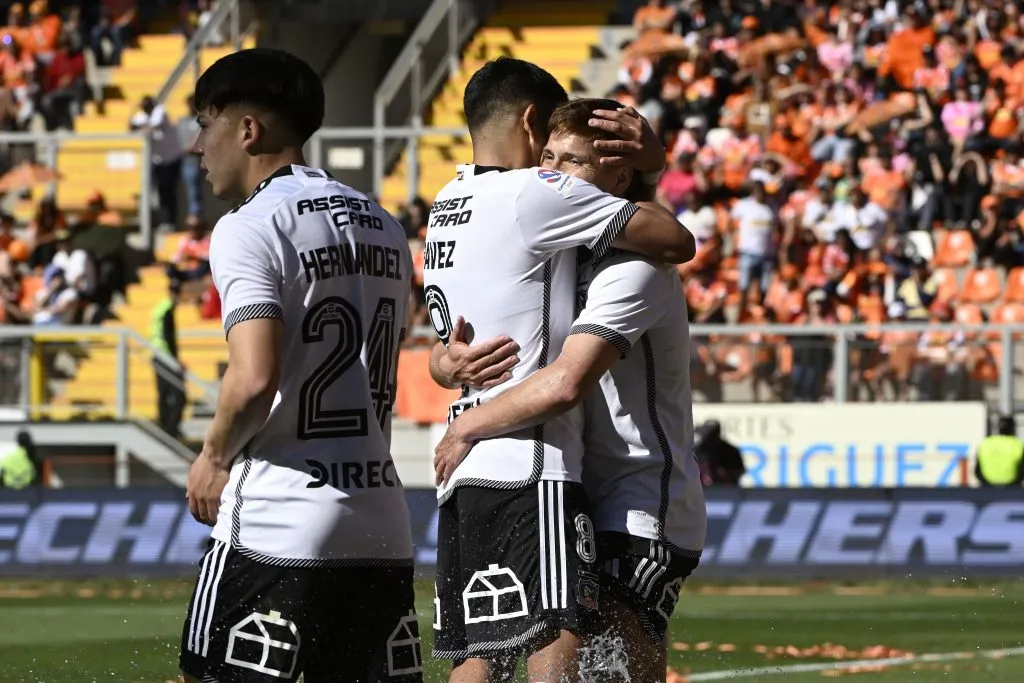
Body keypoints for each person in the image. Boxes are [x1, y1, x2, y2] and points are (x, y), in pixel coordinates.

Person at [421, 58, 694, 683]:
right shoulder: (541, 214)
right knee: (551, 646)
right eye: (548, 154)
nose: (553, 173)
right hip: (535, 465)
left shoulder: (453, 201)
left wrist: (449, 378)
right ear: (528, 122)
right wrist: (649, 168)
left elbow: (459, 338)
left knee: (546, 662)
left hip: (634, 498)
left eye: (568, 161)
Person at [179, 49, 421, 683]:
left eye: (206, 123)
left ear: (248, 129)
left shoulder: (248, 226)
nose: (197, 146)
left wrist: (213, 456)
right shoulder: (385, 224)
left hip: (278, 521)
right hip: (380, 522)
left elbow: (255, 378)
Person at [130, 95, 183, 230]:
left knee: (170, 191)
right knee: (159, 192)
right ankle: (161, 221)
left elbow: (152, 127)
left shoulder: (160, 111)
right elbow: (131, 127)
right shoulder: (141, 116)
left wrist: (140, 127)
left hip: (171, 159)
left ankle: (171, 221)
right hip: (157, 161)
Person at [151, 279, 184, 438]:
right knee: (178, 395)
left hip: (158, 355)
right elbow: (167, 337)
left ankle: (165, 427)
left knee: (164, 394)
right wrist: (174, 359)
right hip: (164, 356)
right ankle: (171, 430)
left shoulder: (161, 306)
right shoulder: (167, 309)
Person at [975, 414, 1024, 487]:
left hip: (987, 487)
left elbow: (977, 470)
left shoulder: (986, 443)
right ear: (1013, 428)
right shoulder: (1018, 444)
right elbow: (1022, 469)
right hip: (1012, 488)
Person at [693, 420, 745, 486]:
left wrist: (726, 475)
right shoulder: (697, 448)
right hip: (700, 489)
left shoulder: (729, 450)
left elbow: (740, 470)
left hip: (724, 490)